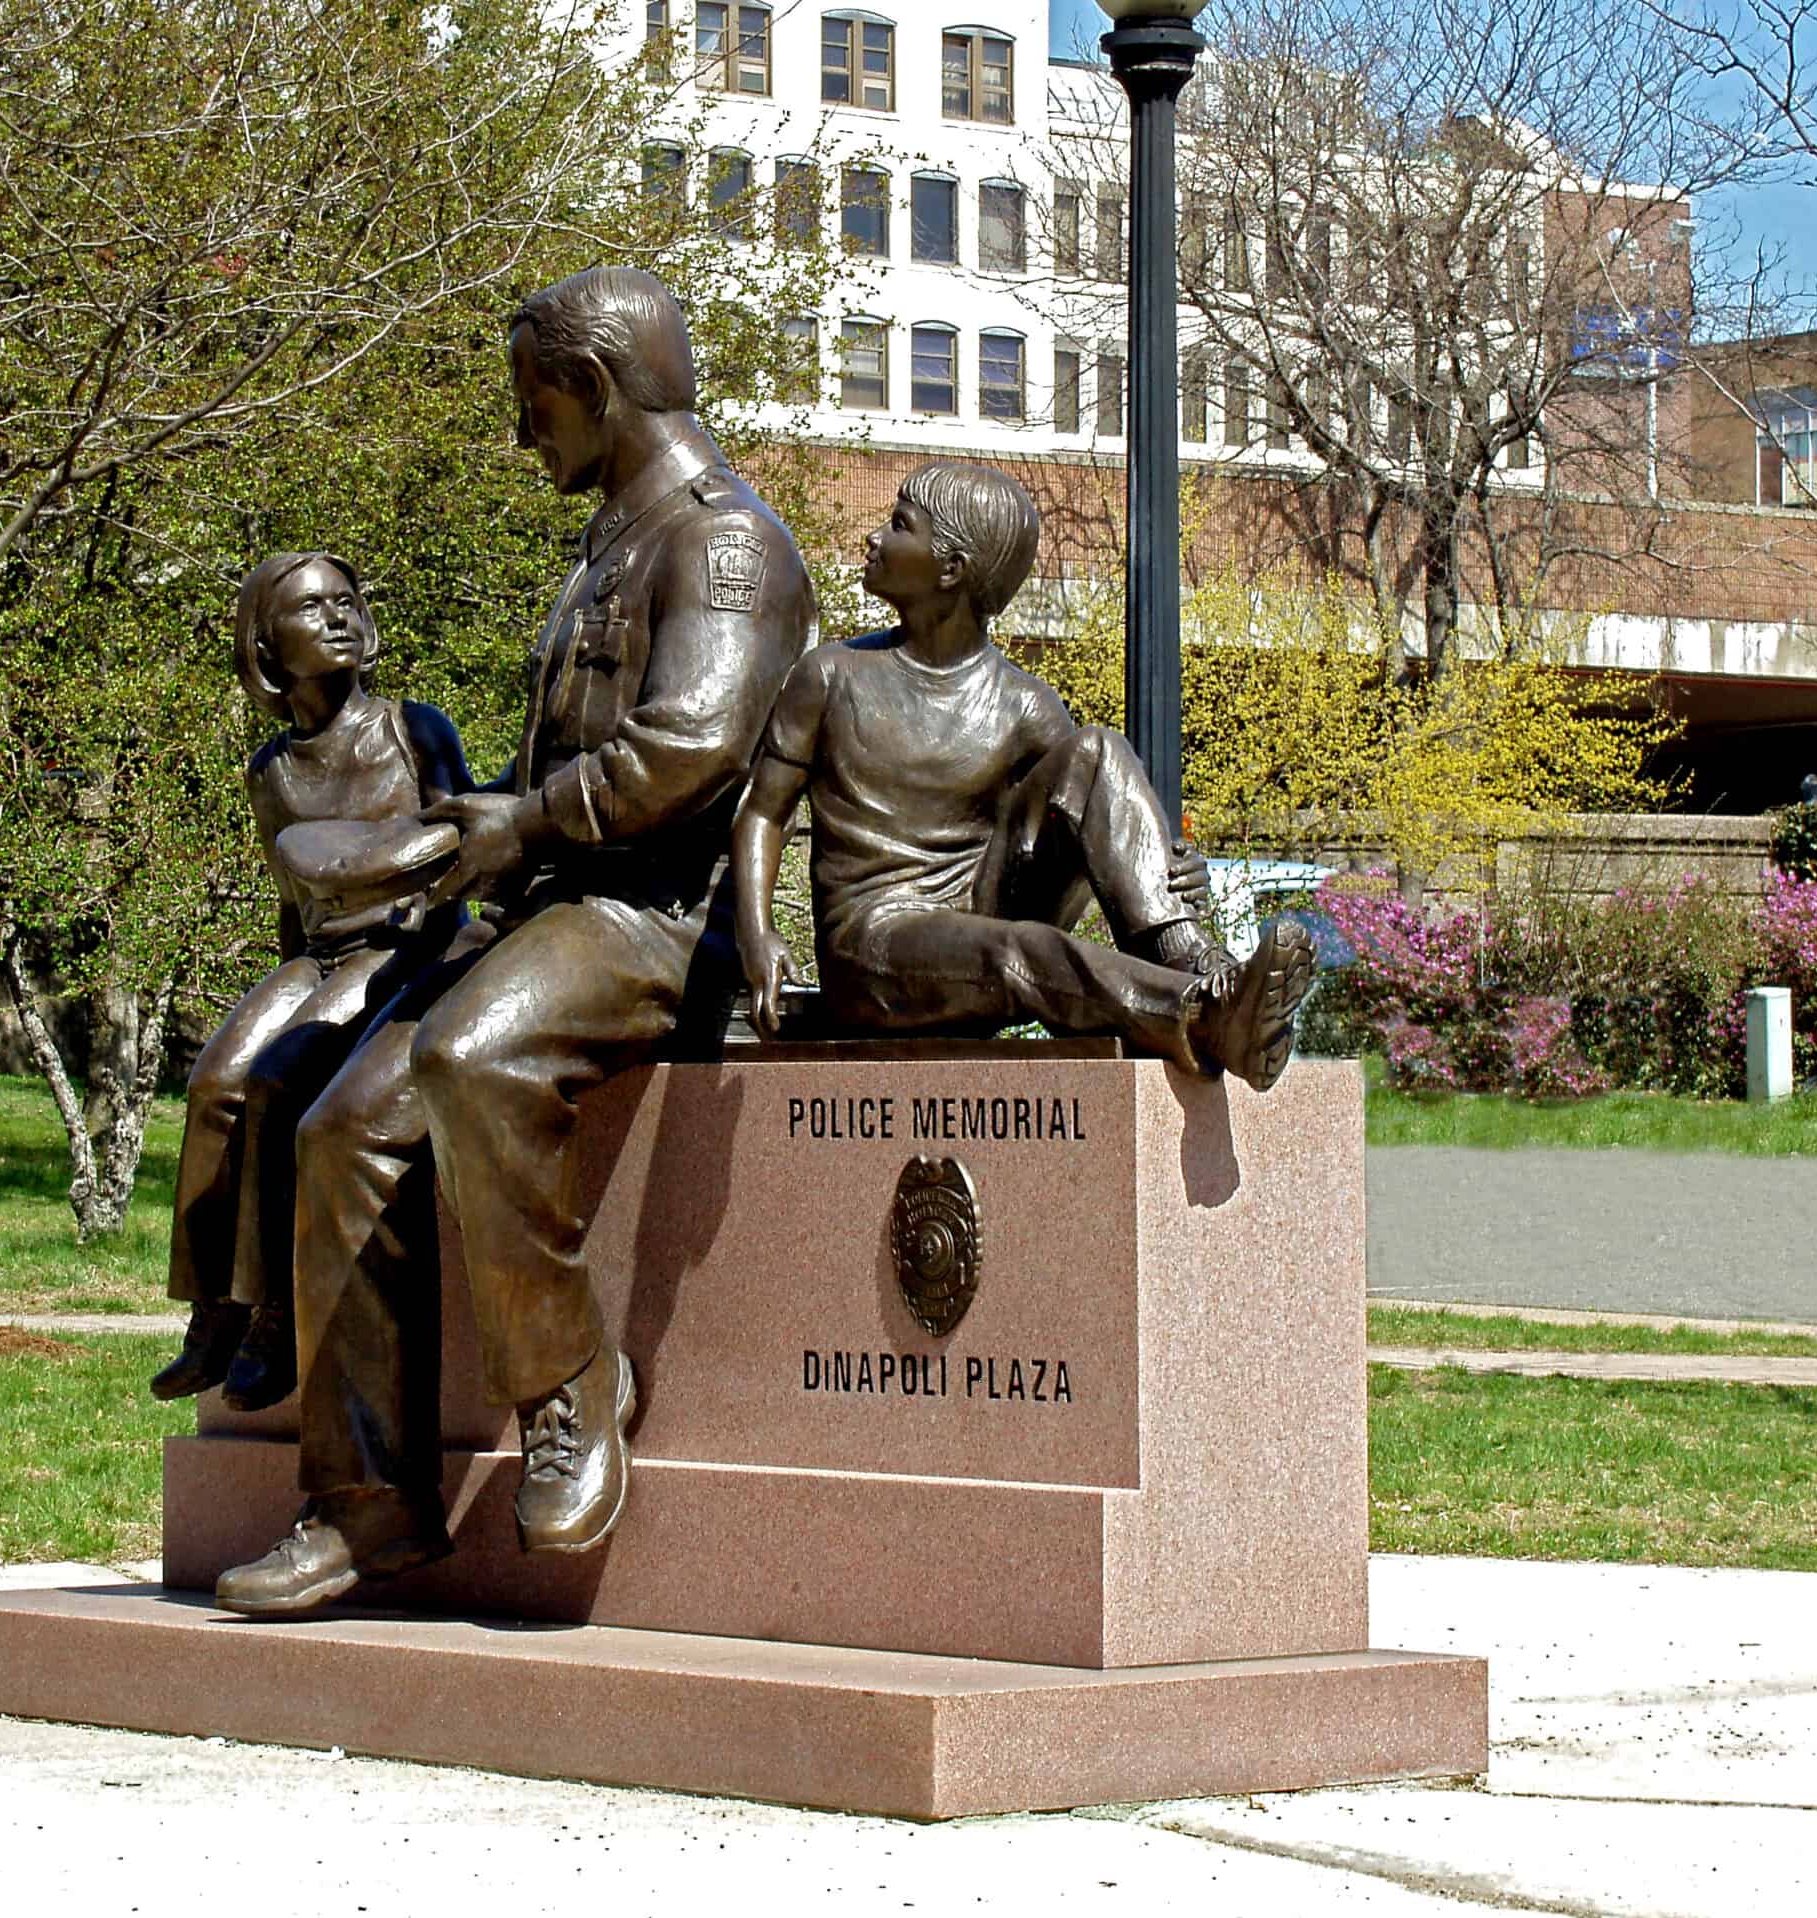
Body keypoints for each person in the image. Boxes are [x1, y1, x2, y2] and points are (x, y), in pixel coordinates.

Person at [212, 267, 817, 1616]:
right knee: (336, 1125)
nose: (520, 434)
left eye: (531, 403)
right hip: (555, 905)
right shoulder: (612, 540)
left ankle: (571, 1382)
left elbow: (690, 754)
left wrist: (523, 823)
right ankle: (367, 1506)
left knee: (472, 1055)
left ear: (594, 390)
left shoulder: (723, 549)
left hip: (662, 919)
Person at [730, 460, 1313, 1085]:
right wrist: (757, 935)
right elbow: (762, 811)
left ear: (951, 569)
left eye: (899, 526)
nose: (873, 537)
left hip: (979, 912)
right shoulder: (830, 676)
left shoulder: (1025, 705)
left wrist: (1169, 871)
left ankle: (1196, 959)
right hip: (874, 946)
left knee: (1098, 752)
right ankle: (1201, 1013)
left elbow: (1095, 819)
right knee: (1022, 952)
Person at [151, 553, 472, 1413]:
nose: (335, 618)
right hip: (318, 953)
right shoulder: (271, 772)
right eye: (309, 608)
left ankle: (278, 1312)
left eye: (345, 602)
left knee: (278, 1079)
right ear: (265, 644)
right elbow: (293, 906)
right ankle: (213, 1311)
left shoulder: (414, 728)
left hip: (405, 948)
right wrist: (284, 981)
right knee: (217, 1078)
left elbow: (469, 844)